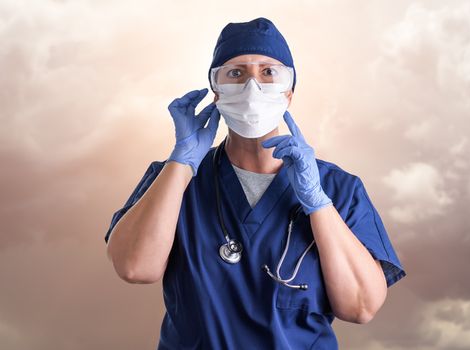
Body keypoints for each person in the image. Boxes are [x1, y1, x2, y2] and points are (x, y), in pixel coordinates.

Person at [104, 17, 405, 349]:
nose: (252, 87)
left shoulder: (339, 189)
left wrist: (318, 204)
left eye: (268, 72)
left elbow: (361, 307)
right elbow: (135, 268)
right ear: (216, 91)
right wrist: (181, 163)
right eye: (235, 73)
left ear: (289, 92)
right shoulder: (174, 182)